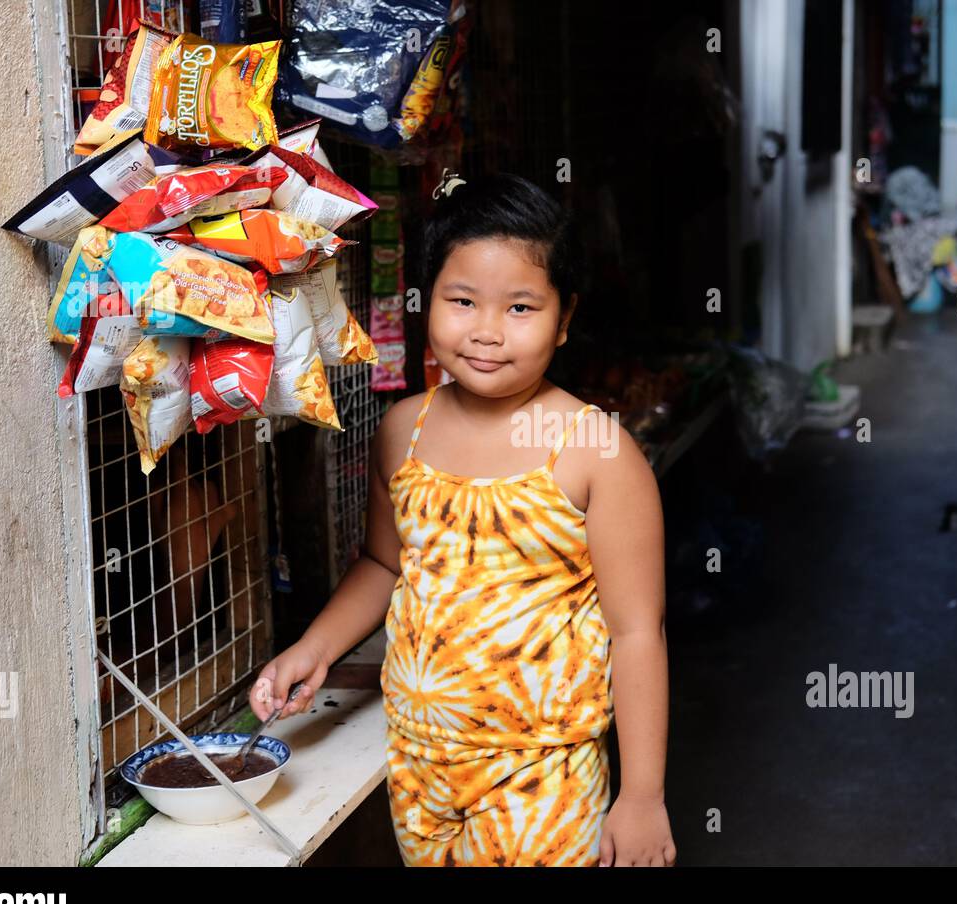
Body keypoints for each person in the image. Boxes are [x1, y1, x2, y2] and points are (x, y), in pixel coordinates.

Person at [248, 170, 675, 867]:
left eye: (520, 309)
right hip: (420, 765)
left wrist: (643, 796)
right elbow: (387, 564)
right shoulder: (402, 431)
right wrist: (316, 649)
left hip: (543, 774)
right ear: (428, 303)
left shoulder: (598, 450)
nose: (486, 332)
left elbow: (636, 633)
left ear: (564, 320)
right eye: (463, 300)